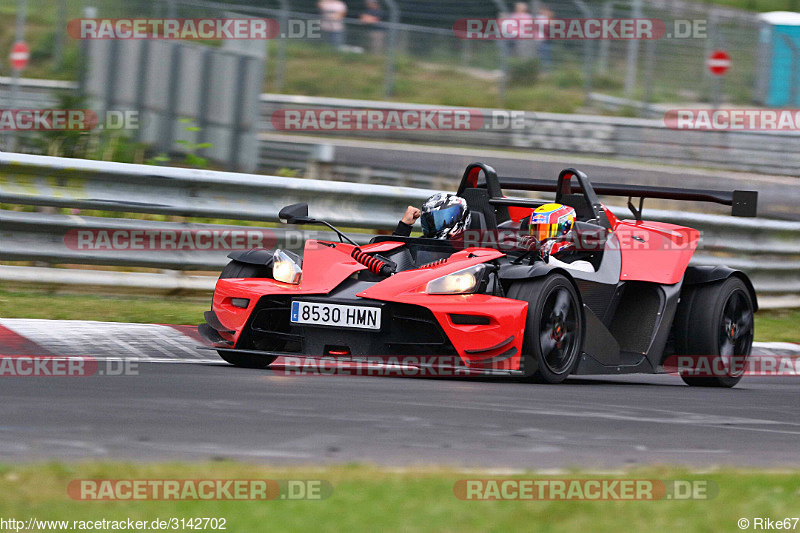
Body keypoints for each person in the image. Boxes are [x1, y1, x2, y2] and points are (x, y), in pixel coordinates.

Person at [393, 193, 471, 239]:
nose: (433, 223)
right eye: (431, 220)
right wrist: (404, 226)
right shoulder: (425, 244)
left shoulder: (470, 250)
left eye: (440, 218)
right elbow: (393, 257)